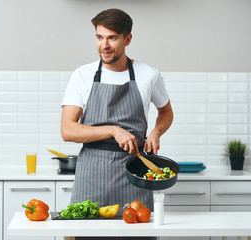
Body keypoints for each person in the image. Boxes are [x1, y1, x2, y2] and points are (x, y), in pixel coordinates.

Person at [61, 8, 173, 240]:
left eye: (112, 38)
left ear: (127, 39)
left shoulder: (148, 74)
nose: (105, 45)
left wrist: (156, 132)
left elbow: (166, 112)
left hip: (136, 171)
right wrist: (113, 130)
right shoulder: (82, 75)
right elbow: (67, 130)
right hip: (92, 173)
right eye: (99, 37)